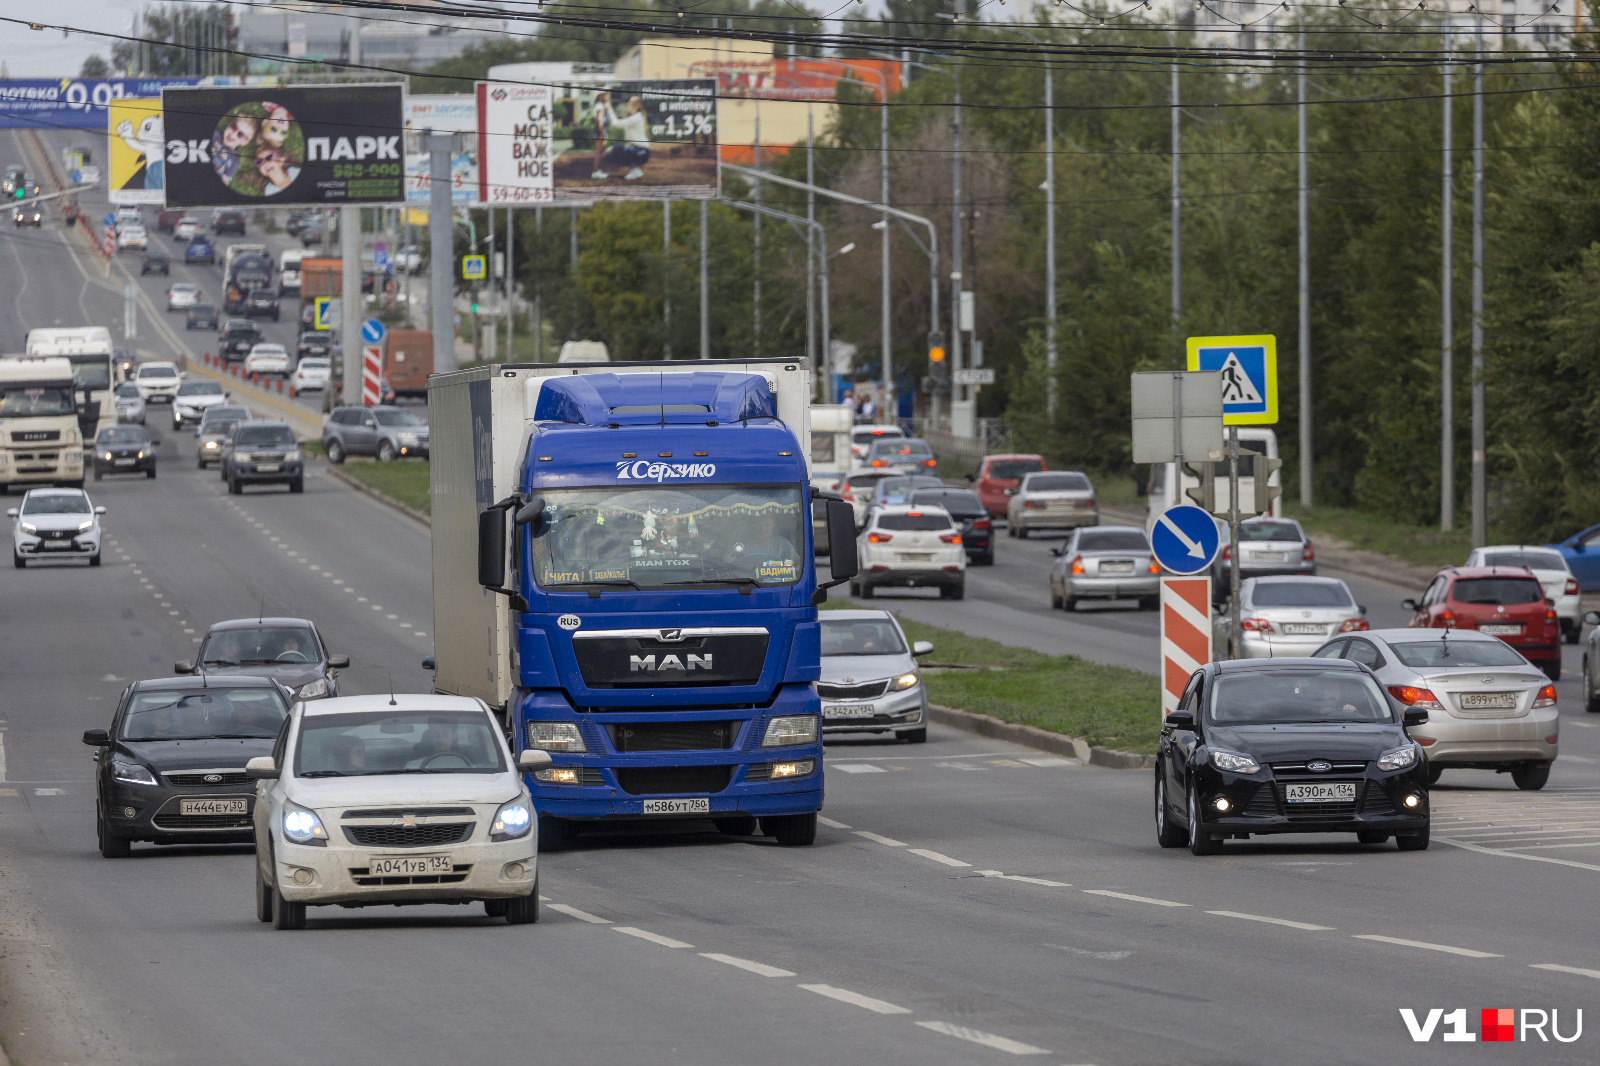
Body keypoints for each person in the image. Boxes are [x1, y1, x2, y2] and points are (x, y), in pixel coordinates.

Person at [600, 96, 651, 181]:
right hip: (638, 151)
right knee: (611, 155)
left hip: (642, 152)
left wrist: (609, 110)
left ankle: (635, 170)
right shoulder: (635, 117)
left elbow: (616, 124)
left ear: (636, 106)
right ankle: (635, 169)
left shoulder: (636, 118)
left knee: (616, 149)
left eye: (630, 102)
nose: (627, 104)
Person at [589, 91, 613, 179]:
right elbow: (599, 121)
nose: (608, 96)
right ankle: (595, 172)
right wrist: (603, 134)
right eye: (607, 94)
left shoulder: (601, 105)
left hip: (601, 131)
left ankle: (597, 170)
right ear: (601, 95)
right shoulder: (599, 105)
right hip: (600, 131)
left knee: (600, 151)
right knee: (599, 152)